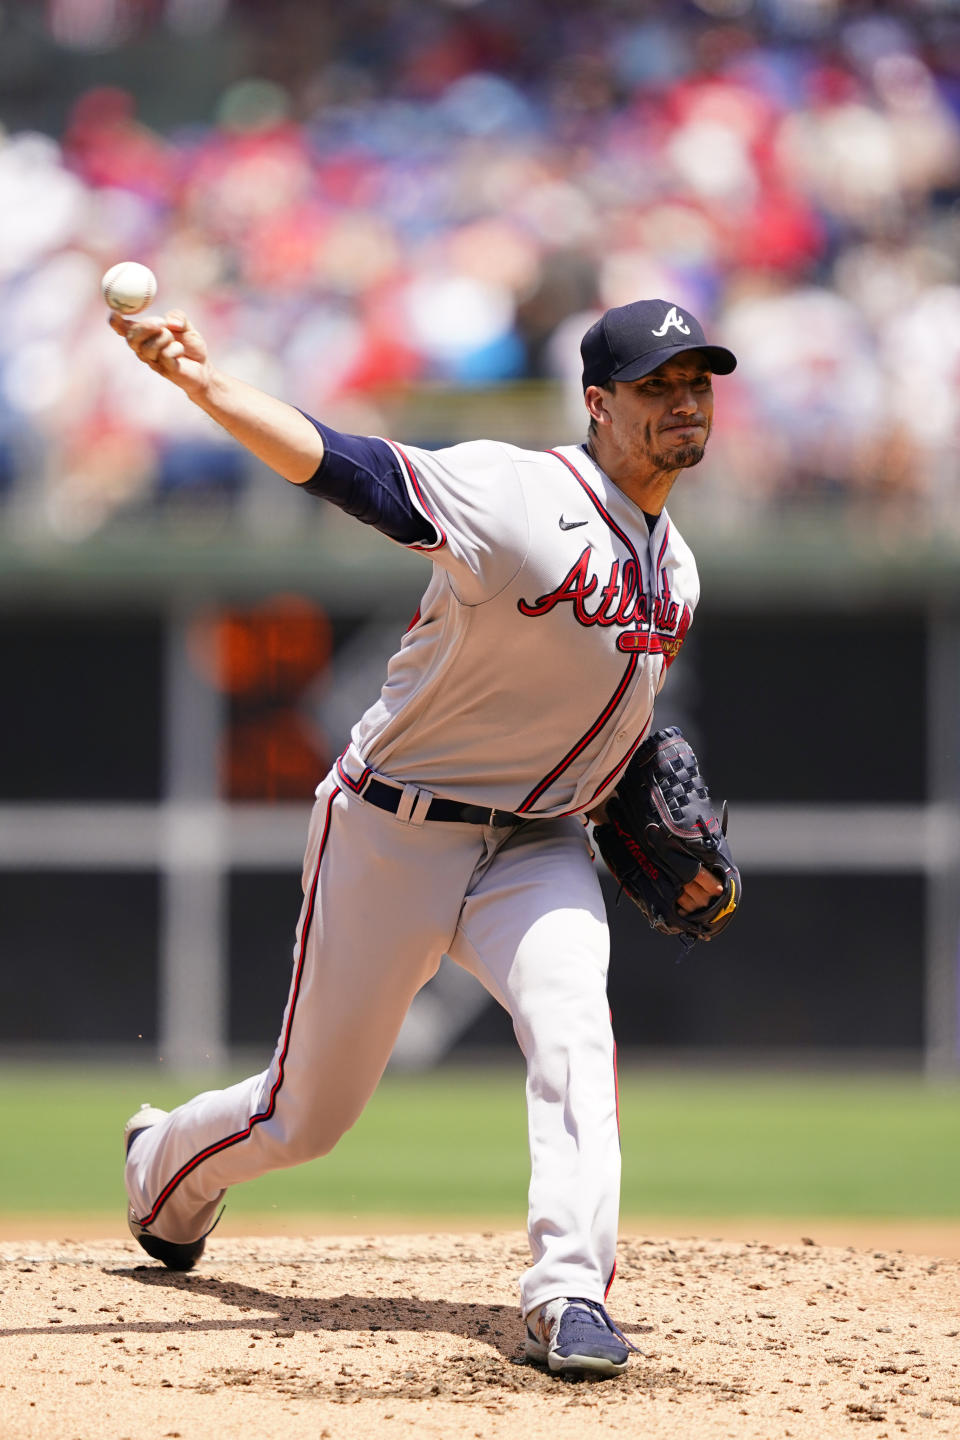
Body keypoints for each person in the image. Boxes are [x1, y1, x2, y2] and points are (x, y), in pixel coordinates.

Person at [115, 295, 736, 1379]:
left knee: (574, 1029)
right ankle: (160, 1167)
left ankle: (568, 1292)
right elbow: (343, 466)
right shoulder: (516, 491)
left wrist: (648, 825)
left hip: (538, 847)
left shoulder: (675, 572)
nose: (684, 403)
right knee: (302, 1119)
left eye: (697, 384)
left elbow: (610, 737)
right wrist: (201, 386)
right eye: (656, 388)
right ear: (598, 405)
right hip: (393, 830)